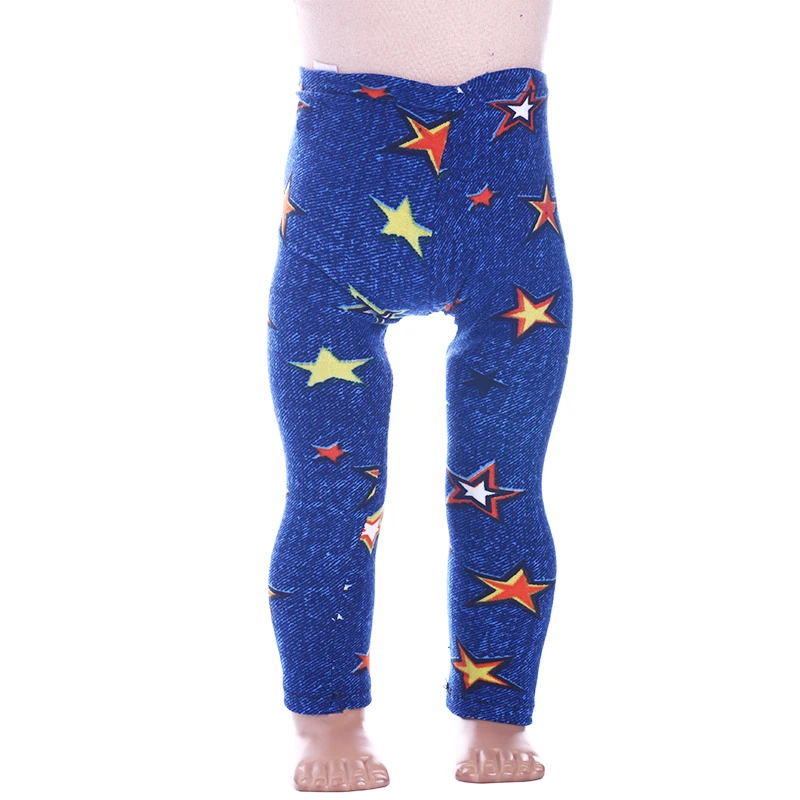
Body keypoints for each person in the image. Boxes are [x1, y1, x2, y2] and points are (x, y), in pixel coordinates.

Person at [267, 0, 571, 789]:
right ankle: (327, 722)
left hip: (507, 210)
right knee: (329, 490)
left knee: (502, 487)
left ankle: (497, 715)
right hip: (343, 207)